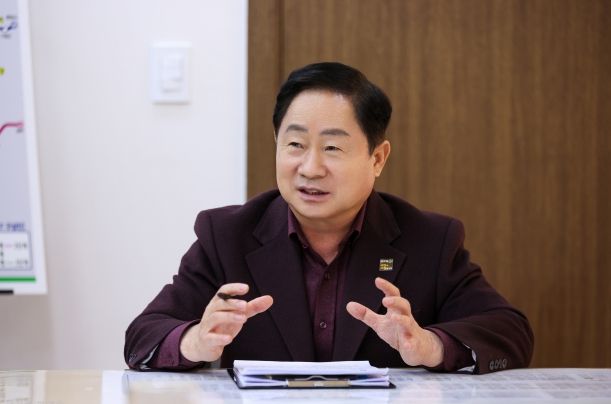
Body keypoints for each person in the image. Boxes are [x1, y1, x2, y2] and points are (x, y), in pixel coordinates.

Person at [124, 62, 534, 374]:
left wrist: (431, 346)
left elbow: (509, 332)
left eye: (333, 149)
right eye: (295, 144)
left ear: (377, 158)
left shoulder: (428, 239)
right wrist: (195, 341)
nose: (310, 168)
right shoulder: (227, 235)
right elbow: (142, 336)